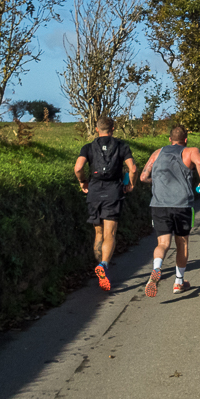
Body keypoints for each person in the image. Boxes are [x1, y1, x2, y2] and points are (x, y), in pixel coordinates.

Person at [139, 125, 200, 297]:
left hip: (159, 204)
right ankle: (178, 282)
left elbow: (143, 177)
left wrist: (160, 182)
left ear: (169, 139)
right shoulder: (190, 151)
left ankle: (156, 269)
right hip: (182, 205)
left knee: (162, 243)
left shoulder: (158, 153)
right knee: (182, 242)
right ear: (185, 139)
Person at [74, 115, 136, 292]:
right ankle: (104, 266)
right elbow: (132, 168)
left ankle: (100, 269)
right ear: (113, 129)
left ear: (96, 129)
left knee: (98, 233)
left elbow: (78, 167)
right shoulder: (121, 146)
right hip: (113, 191)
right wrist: (130, 184)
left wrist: (82, 181)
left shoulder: (87, 147)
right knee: (111, 232)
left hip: (93, 190)